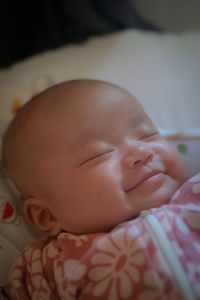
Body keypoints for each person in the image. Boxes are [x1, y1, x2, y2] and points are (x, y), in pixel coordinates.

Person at [2, 79, 200, 299]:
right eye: (99, 154)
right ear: (46, 215)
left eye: (148, 134)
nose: (143, 152)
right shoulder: (45, 267)